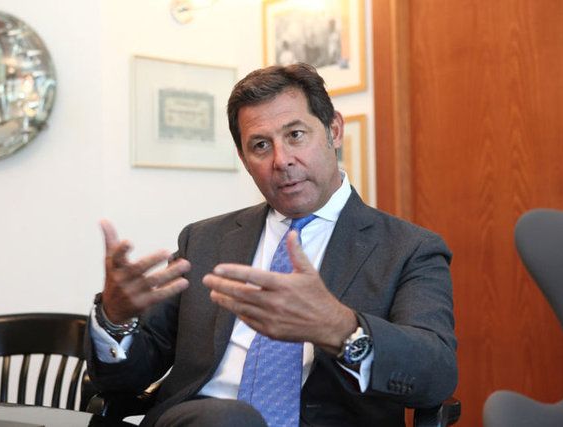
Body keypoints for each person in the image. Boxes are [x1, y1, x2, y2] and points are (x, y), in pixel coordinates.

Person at [86, 63, 458, 427]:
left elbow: (437, 373)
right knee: (228, 419)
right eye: (261, 145)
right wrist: (116, 320)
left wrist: (341, 329)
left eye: (295, 135)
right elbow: (121, 381)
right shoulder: (204, 240)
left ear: (334, 130)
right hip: (202, 419)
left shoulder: (410, 249)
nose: (281, 160)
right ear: (244, 159)